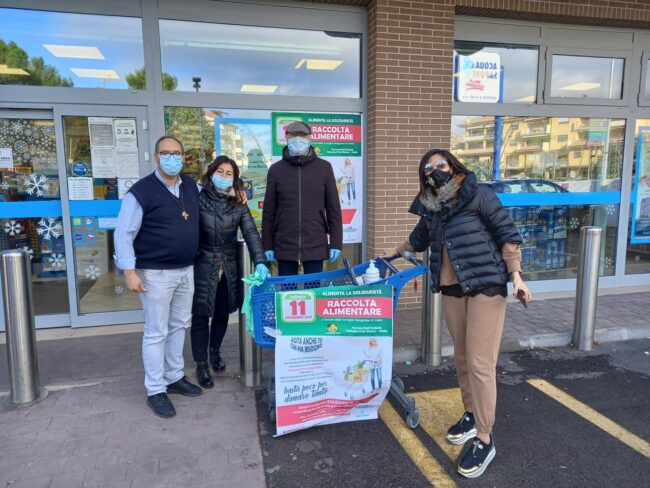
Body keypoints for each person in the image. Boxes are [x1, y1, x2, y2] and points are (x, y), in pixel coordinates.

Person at [382, 148, 532, 479]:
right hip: (452, 288)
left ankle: (485, 437)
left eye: (440, 164)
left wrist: (516, 277)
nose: (435, 170)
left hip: (486, 286)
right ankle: (471, 413)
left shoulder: (479, 194)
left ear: (452, 166)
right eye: (428, 168)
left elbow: (507, 235)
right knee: (462, 358)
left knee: (480, 362)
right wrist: (391, 253)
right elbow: (418, 239)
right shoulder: (431, 206)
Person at [114, 135, 202, 419]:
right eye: (166, 153)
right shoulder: (141, 192)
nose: (172, 158)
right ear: (156, 157)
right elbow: (123, 233)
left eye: (177, 153)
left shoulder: (191, 186)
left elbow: (214, 200)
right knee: (156, 332)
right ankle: (155, 390)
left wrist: (236, 193)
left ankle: (174, 376)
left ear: (184, 157)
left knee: (179, 325)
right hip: (155, 274)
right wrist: (129, 271)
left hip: (186, 270)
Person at [190, 156, 268, 388]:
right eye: (220, 172)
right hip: (203, 263)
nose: (223, 177)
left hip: (228, 265)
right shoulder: (197, 198)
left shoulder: (238, 202)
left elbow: (251, 232)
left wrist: (260, 261)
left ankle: (215, 351)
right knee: (200, 315)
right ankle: (201, 364)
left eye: (229, 174)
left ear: (234, 179)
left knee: (222, 313)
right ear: (211, 173)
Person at [262, 121, 343, 276]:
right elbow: (269, 212)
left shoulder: (324, 168)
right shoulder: (276, 170)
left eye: (302, 135)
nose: (298, 139)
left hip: (315, 242)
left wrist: (336, 242)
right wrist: (267, 245)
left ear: (310, 139)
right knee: (287, 289)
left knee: (313, 288)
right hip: (285, 243)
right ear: (287, 138)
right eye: (294, 135)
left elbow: (333, 209)